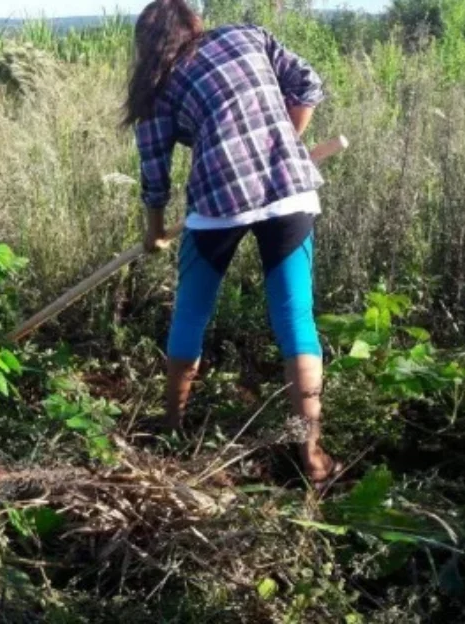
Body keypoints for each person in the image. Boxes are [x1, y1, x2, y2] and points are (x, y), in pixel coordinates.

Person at [123, 0, 339, 488]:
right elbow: (307, 84)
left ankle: (171, 428)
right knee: (295, 319)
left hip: (217, 204)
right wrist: (286, 145)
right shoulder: (248, 37)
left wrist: (153, 231)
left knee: (190, 314)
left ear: (147, 44)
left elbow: (155, 171)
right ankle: (311, 453)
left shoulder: (157, 85)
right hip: (290, 191)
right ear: (194, 23)